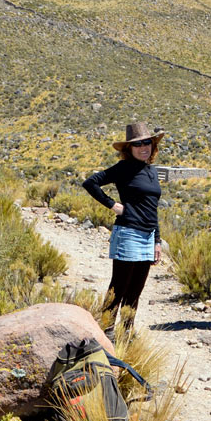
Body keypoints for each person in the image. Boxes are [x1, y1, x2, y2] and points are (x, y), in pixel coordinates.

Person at [82, 121, 165, 339]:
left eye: (147, 142)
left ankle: (127, 332)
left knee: (136, 290)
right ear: (129, 149)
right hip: (128, 234)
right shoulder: (123, 169)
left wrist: (157, 240)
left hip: (147, 237)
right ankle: (105, 332)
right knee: (118, 288)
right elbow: (90, 183)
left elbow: (152, 209)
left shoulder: (151, 171)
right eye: (138, 144)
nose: (144, 147)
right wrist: (113, 205)